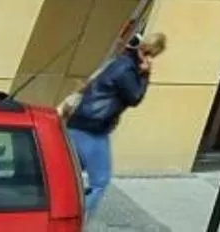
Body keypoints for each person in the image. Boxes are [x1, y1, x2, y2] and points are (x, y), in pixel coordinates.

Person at [62, 29, 164, 218]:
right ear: (151, 52)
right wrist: (145, 75)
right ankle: (74, 221)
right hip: (93, 128)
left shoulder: (123, 62)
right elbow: (135, 97)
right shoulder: (127, 68)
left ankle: (57, 214)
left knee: (69, 176)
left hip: (81, 124)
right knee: (100, 181)